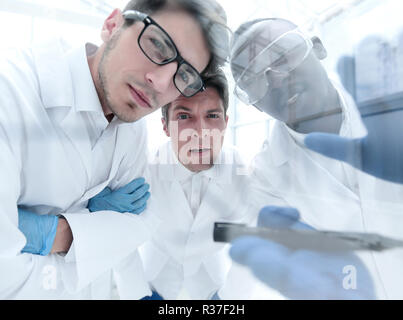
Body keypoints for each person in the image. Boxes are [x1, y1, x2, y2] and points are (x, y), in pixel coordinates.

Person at [0, 0, 229, 299]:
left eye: (183, 77)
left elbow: (138, 226)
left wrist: (38, 232)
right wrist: (81, 232)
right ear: (112, 25)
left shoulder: (132, 132)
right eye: (158, 46)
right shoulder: (11, 94)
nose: (160, 83)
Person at [228, 17, 403, 299]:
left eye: (282, 54)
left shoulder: (395, 108)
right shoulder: (265, 179)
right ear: (255, 104)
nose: (276, 78)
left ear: (317, 47)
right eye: (253, 79)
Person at [87, 70, 286, 299]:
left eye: (212, 116)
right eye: (184, 116)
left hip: (213, 279)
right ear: (165, 126)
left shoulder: (246, 175)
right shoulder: (142, 169)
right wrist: (137, 292)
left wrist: (229, 296)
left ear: (225, 123)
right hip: (154, 275)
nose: (200, 133)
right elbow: (121, 237)